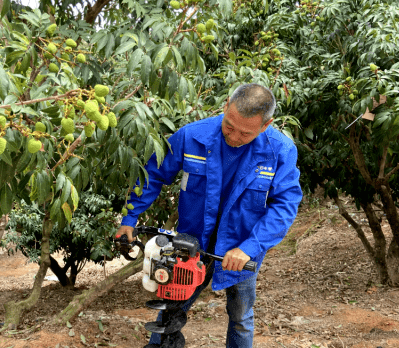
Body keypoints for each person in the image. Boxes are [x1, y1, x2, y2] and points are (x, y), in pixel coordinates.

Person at [115, 83, 303, 348]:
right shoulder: (192, 137)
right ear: (226, 106)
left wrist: (249, 249)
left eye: (245, 133)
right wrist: (129, 219)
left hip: (242, 247)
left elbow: (285, 205)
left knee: (240, 317)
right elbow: (153, 175)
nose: (234, 137)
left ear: (266, 125)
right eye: (229, 126)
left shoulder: (279, 151)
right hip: (191, 244)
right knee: (171, 307)